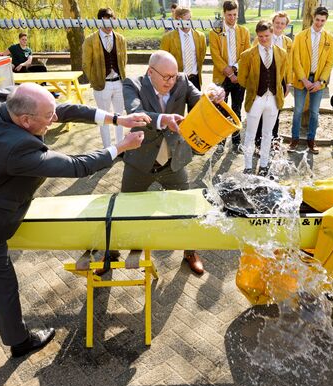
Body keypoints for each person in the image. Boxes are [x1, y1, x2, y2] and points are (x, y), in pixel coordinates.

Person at [0, 83, 148, 357]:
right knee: (3, 285)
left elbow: (61, 109)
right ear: (25, 121)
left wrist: (117, 119)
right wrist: (119, 147)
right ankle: (19, 341)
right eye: (48, 118)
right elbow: (77, 166)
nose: (54, 119)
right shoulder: (16, 148)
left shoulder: (3, 101)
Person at [118, 51, 225, 275]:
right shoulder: (133, 84)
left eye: (173, 76)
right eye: (165, 77)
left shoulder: (182, 81)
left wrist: (213, 96)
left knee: (186, 210)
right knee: (125, 209)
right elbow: (136, 113)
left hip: (173, 162)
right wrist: (163, 119)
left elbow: (200, 101)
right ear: (150, 72)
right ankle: (113, 254)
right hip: (140, 161)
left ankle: (190, 252)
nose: (170, 81)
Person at [238, 20, 288, 176]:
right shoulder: (247, 55)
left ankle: (265, 164)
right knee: (250, 134)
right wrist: (254, 88)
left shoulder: (282, 53)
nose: (264, 39)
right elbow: (242, 78)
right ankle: (247, 166)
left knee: (268, 134)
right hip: (256, 99)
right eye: (260, 36)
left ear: (272, 33)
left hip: (273, 99)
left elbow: (281, 74)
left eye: (266, 35)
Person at [290, 6, 333, 154]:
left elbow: (330, 62)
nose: (319, 23)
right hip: (302, 79)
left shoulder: (330, 38)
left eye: (323, 21)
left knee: (315, 112)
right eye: (317, 20)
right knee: (298, 110)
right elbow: (295, 59)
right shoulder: (301, 36)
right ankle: (294, 139)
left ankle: (311, 140)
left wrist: (320, 82)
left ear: (325, 20)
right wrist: (304, 80)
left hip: (318, 81)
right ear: (312, 18)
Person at [82, 8, 128, 148]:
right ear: (99, 22)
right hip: (102, 85)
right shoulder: (90, 40)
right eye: (106, 22)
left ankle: (120, 147)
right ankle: (108, 149)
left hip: (119, 83)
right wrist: (95, 80)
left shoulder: (121, 39)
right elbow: (86, 63)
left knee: (119, 117)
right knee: (103, 119)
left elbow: (124, 60)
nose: (109, 26)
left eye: (112, 21)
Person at [209, 0, 250, 153]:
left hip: (239, 77)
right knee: (221, 110)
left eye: (234, 14)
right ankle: (220, 143)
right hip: (222, 77)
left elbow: (246, 54)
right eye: (229, 15)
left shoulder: (244, 32)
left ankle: (236, 142)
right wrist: (229, 72)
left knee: (236, 109)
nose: (232, 18)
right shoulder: (215, 32)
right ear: (223, 14)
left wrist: (235, 69)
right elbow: (215, 55)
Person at [255, 11, 293, 151]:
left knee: (276, 110)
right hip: (264, 79)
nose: (279, 25)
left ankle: (274, 139)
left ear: (286, 26)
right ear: (273, 23)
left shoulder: (288, 42)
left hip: (279, 80)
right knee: (261, 109)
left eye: (283, 23)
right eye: (277, 22)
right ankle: (258, 142)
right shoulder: (263, 38)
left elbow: (289, 64)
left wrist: (288, 82)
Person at [160, 6, 207, 90]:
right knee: (177, 103)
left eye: (188, 20)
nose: (186, 23)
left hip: (195, 79)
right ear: (177, 20)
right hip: (176, 80)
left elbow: (201, 56)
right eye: (182, 20)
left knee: (196, 103)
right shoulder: (168, 38)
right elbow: (163, 61)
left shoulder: (200, 36)